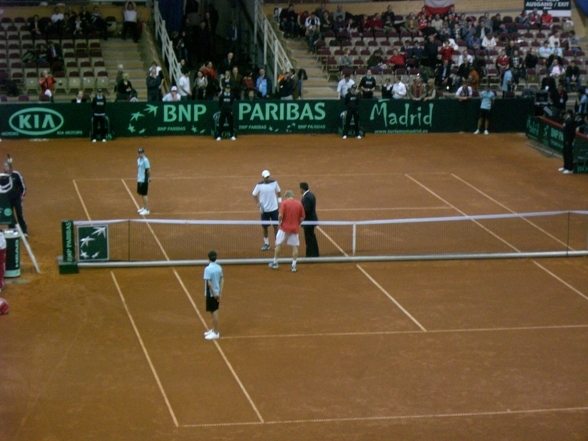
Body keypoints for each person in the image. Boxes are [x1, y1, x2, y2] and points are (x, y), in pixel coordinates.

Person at [268, 190, 305, 272]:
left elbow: (280, 215)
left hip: (284, 228)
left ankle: (275, 262)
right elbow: (302, 217)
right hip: (294, 228)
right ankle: (294, 265)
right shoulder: (299, 203)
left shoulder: (284, 203)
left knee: (278, 244)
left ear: (287, 196)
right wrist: (297, 223)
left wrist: (279, 222)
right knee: (294, 247)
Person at [252, 170, 281, 251]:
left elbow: (278, 192)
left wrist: (279, 202)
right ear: (263, 177)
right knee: (265, 227)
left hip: (274, 209)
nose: (267, 178)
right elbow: (254, 194)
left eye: (268, 177)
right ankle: (266, 243)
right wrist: (258, 204)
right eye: (266, 177)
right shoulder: (259, 185)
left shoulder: (274, 183)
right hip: (264, 210)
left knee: (276, 226)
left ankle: (277, 243)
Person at [2, 159, 27, 237]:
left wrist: (23, 194)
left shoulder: (16, 174)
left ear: (10, 167)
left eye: (5, 166)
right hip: (7, 201)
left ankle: (24, 231)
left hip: (17, 199)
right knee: (10, 216)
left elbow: (22, 185)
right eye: (4, 166)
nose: (4, 168)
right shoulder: (3, 177)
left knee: (20, 214)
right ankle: (12, 232)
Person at [203, 250, 223, 340]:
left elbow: (209, 283)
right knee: (213, 310)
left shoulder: (207, 269)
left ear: (208, 258)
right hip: (217, 292)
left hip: (211, 294)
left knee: (214, 311)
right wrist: (220, 293)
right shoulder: (219, 268)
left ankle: (215, 332)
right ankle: (213, 329)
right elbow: (222, 280)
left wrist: (214, 294)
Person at [299, 182, 319, 257]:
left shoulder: (307, 197)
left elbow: (306, 210)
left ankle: (310, 255)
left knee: (309, 239)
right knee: (312, 237)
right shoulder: (311, 195)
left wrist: (300, 216)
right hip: (311, 220)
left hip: (308, 221)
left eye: (300, 188)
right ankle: (315, 254)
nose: (300, 190)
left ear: (302, 189)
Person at [560, 109, 576, 174]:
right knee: (565, 153)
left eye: (562, 116)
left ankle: (570, 168)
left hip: (568, 139)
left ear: (565, 115)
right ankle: (565, 166)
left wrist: (570, 139)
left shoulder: (570, 120)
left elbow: (572, 131)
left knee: (569, 153)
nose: (562, 117)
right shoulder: (566, 120)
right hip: (565, 139)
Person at [136, 148, 151, 215]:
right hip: (140, 179)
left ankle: (147, 209)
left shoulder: (145, 160)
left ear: (143, 153)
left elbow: (148, 170)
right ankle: (144, 207)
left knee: (144, 194)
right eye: (139, 153)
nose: (140, 154)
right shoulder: (138, 160)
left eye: (141, 152)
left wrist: (149, 178)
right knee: (142, 194)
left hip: (144, 179)